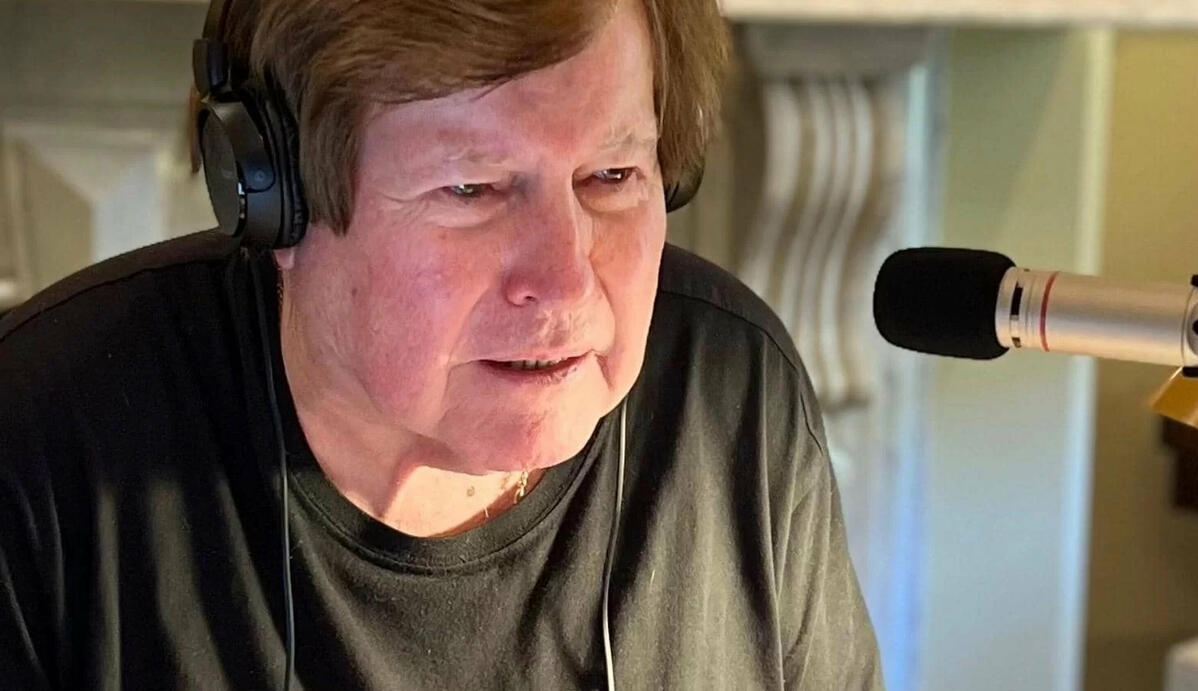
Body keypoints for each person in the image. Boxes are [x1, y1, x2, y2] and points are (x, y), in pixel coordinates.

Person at [0, 0, 882, 688]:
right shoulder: (39, 445)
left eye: (612, 176)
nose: (566, 281)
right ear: (270, 197)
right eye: (472, 189)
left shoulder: (736, 396)